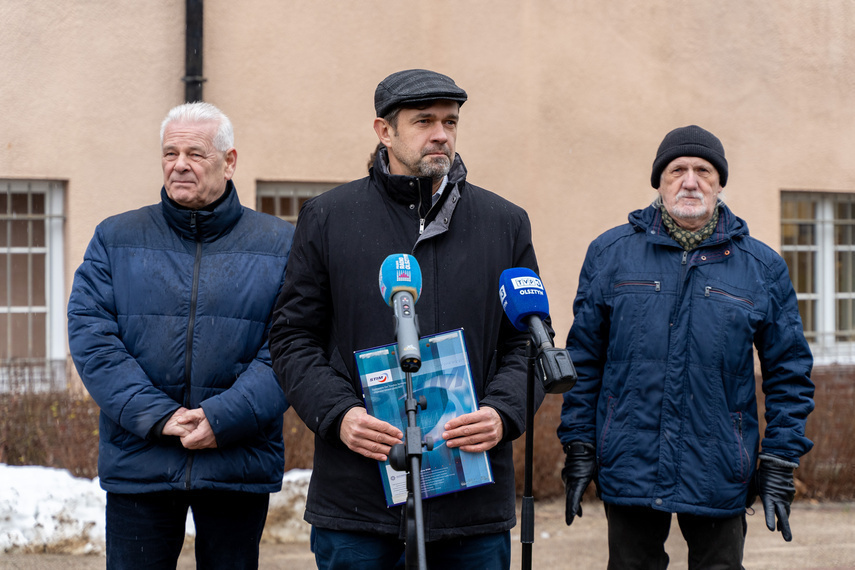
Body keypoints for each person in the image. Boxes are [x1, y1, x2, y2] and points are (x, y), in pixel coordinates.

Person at [269, 69, 544, 569]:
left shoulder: (505, 223)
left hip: (470, 507)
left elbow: (526, 344)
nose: (441, 133)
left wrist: (502, 414)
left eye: (450, 121)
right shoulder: (328, 217)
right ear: (384, 131)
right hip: (358, 505)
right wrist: (340, 415)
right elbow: (292, 338)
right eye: (423, 121)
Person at [557, 125, 815, 569]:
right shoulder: (611, 254)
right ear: (659, 180)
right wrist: (579, 446)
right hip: (629, 461)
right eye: (677, 170)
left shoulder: (761, 267)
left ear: (719, 183)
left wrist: (779, 459)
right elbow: (583, 360)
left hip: (719, 465)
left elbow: (789, 371)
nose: (690, 181)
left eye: (703, 170)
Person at [67, 102, 294, 569]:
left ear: (230, 161)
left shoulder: (280, 245)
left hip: (237, 460)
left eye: (196, 152)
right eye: (170, 152)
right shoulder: (115, 238)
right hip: (141, 460)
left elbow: (292, 346)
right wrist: (160, 416)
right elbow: (93, 338)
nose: (180, 164)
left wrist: (221, 418)